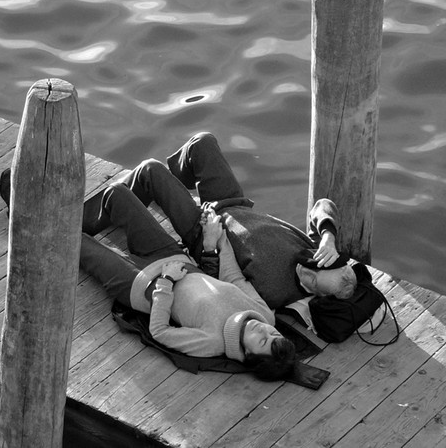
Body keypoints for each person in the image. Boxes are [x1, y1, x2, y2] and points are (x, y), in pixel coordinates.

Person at [94, 132, 358, 312]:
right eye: (318, 265)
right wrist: (328, 235)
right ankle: (164, 186)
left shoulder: (274, 293)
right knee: (203, 143)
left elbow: (221, 285)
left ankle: (92, 215)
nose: (307, 271)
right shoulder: (312, 250)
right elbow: (323, 205)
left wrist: (209, 242)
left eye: (311, 282)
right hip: (233, 203)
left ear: (319, 296)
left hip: (203, 229)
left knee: (151, 170)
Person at [75, 182, 297, 380]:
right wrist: (218, 241)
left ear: (248, 354)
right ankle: (70, 217)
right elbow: (234, 277)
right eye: (273, 333)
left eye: (262, 341)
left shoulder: (211, 343)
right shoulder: (265, 315)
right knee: (116, 194)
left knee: (75, 242)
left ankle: (57, 224)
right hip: (174, 258)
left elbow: (160, 332)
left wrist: (166, 280)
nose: (264, 330)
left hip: (140, 284)